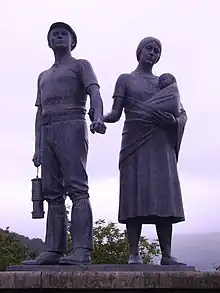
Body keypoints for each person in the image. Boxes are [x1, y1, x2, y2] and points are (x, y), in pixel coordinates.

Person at [23, 22, 106, 265]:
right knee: (51, 192)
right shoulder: (43, 75)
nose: (58, 37)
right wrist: (37, 146)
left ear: (72, 41)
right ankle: (54, 249)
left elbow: (95, 93)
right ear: (49, 42)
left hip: (73, 123)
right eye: (54, 35)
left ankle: (82, 249)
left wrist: (98, 115)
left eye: (63, 34)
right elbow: (39, 114)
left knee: (77, 188)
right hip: (48, 130)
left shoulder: (81, 65)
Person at [103, 37, 187, 265]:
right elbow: (115, 113)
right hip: (134, 141)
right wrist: (99, 119)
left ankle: (167, 254)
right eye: (149, 49)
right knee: (134, 195)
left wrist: (172, 121)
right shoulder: (125, 80)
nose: (153, 53)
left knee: (163, 195)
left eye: (157, 51)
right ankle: (134, 253)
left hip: (160, 143)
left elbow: (181, 113)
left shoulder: (165, 83)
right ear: (139, 51)